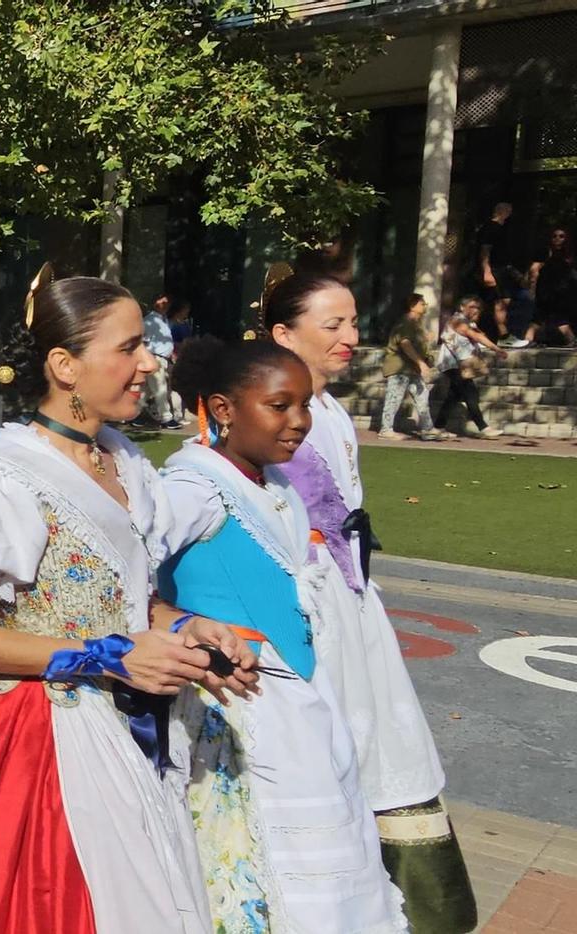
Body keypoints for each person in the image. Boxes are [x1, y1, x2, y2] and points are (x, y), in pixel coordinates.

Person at [0, 269, 256, 934]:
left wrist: (192, 627)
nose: (148, 361)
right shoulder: (3, 480)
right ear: (65, 365)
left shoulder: (124, 463)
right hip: (38, 743)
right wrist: (105, 656)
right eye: (128, 348)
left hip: (130, 727)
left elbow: (121, 599)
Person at [158, 336, 407, 933]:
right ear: (223, 409)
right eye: (279, 406)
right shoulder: (193, 488)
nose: (298, 422)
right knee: (255, 846)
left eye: (304, 406)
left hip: (296, 691)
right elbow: (130, 570)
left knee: (328, 813)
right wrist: (185, 626)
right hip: (237, 698)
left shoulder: (277, 486)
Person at [265, 268, 475, 933]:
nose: (351, 337)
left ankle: (399, 900)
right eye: (333, 325)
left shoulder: (329, 409)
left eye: (353, 323)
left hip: (353, 601)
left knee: (378, 739)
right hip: (310, 609)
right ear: (283, 333)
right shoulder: (263, 412)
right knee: (328, 745)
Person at [434, 296, 507, 439]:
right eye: (472, 307)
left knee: (453, 396)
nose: (476, 310)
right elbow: (474, 336)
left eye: (478, 308)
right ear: (462, 307)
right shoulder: (457, 320)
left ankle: (437, 427)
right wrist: (496, 349)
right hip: (454, 364)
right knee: (470, 394)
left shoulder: (469, 323)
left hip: (460, 364)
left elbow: (477, 335)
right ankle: (483, 427)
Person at [377, 294, 447, 442]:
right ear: (412, 306)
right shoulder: (406, 322)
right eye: (422, 304)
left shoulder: (416, 324)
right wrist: (421, 363)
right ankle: (386, 429)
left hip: (412, 368)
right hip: (400, 367)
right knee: (394, 398)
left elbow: (416, 344)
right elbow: (405, 343)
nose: (425, 306)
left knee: (422, 396)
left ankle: (427, 429)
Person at [472, 202, 521, 341]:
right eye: (507, 211)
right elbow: (485, 250)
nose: (509, 214)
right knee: (497, 302)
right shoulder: (491, 228)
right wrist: (486, 271)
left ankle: (497, 334)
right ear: (500, 211)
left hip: (501, 270)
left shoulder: (501, 228)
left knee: (500, 301)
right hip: (494, 270)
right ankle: (503, 336)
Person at [524, 225, 576, 348]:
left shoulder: (568, 254)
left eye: (561, 236)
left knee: (546, 317)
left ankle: (528, 340)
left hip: (562, 292)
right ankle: (571, 339)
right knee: (542, 317)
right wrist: (532, 288)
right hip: (546, 291)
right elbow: (534, 270)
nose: (558, 239)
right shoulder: (545, 252)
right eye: (555, 236)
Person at [142, 293, 184, 428]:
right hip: (155, 357)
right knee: (160, 387)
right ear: (155, 303)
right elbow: (144, 341)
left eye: (167, 303)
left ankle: (133, 413)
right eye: (162, 302)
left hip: (164, 358)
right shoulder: (149, 321)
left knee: (147, 390)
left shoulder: (163, 320)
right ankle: (166, 418)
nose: (165, 306)